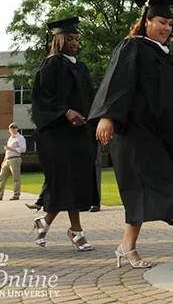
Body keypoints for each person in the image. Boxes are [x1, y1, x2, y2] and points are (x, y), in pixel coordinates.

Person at [89, 0, 173, 269]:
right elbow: (117, 81)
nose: (167, 28)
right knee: (164, 186)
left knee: (145, 190)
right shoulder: (133, 47)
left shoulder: (166, 57)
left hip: (162, 135)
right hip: (136, 134)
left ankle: (126, 246)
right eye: (162, 22)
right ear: (146, 21)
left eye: (171, 24)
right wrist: (107, 116)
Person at [31, 16, 98, 250]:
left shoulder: (80, 66)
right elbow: (42, 99)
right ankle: (76, 231)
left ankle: (46, 221)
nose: (75, 43)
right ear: (59, 39)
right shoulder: (51, 64)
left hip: (79, 134)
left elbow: (90, 97)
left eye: (77, 39)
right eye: (70, 38)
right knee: (67, 180)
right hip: (57, 134)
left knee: (74, 181)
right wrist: (66, 111)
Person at [0, 123, 27, 201]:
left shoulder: (20, 138)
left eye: (14, 128)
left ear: (17, 129)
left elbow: (23, 149)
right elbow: (7, 151)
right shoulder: (10, 138)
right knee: (1, 178)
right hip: (7, 159)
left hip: (15, 159)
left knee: (16, 178)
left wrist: (12, 148)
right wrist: (4, 160)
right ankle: (0, 195)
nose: (12, 129)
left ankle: (16, 195)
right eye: (11, 128)